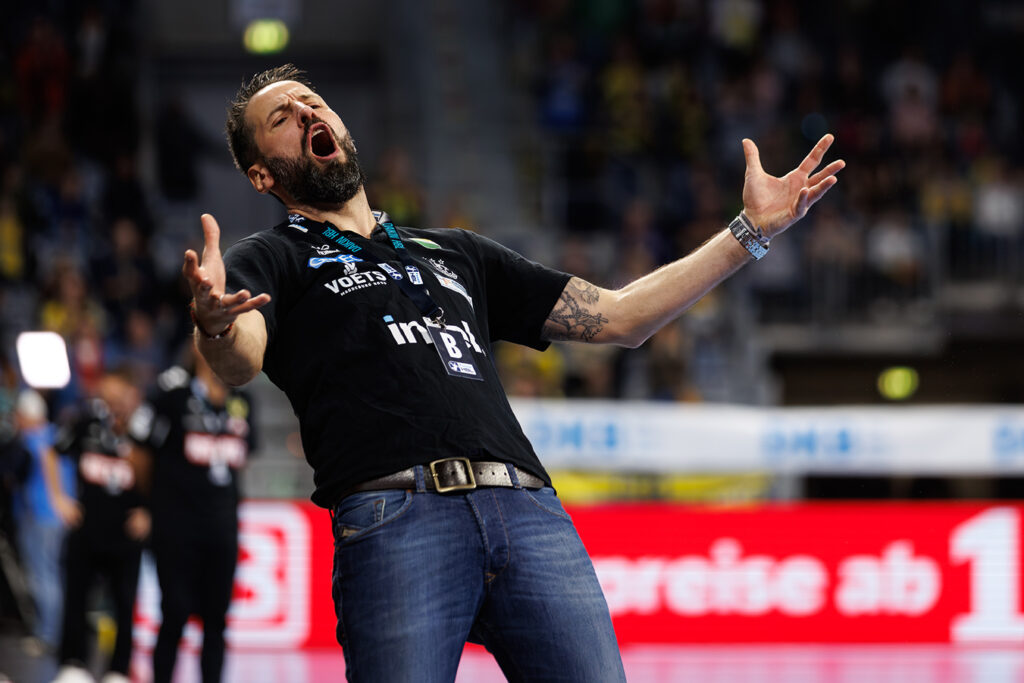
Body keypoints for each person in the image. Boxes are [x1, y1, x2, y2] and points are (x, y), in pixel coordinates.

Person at [182, 64, 844, 681]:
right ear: (261, 174)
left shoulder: (456, 250)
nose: (303, 112)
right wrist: (214, 321)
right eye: (281, 119)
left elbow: (619, 318)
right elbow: (241, 357)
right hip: (395, 515)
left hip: (528, 510)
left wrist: (748, 232)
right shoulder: (267, 258)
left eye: (312, 103)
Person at [129, 350, 257, 683]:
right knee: (175, 614)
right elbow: (138, 452)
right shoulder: (171, 393)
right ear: (200, 348)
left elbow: (241, 458)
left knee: (217, 621)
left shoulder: (242, 400)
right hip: (176, 527)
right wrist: (148, 503)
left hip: (222, 528)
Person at [52, 368, 150, 683]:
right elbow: (52, 452)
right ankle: (73, 664)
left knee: (124, 603)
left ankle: (118, 670)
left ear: (133, 394)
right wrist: (59, 497)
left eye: (121, 396)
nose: (115, 402)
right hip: (86, 528)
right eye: (110, 395)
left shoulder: (146, 429)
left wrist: (149, 511)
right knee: (76, 598)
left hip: (125, 534)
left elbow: (162, 474)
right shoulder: (85, 420)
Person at [10, 389, 78, 653]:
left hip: (41, 515)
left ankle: (49, 635)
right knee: (55, 575)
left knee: (43, 576)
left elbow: (31, 468)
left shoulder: (32, 439)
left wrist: (56, 498)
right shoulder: (59, 434)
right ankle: (54, 632)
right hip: (59, 515)